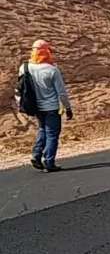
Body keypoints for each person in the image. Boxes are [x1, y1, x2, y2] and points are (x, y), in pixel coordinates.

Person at [19, 40, 73, 172]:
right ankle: (49, 162)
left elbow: (20, 88)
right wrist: (68, 108)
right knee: (52, 134)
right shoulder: (52, 70)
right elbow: (61, 93)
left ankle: (36, 155)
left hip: (36, 107)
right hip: (52, 108)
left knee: (43, 130)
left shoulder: (24, 67)